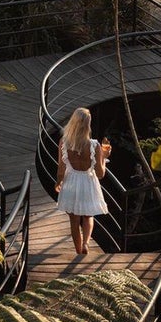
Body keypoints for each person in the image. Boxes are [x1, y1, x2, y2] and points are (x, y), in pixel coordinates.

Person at [54, 107, 111, 255]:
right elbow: (100, 174)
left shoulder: (64, 142)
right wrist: (104, 157)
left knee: (74, 221)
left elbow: (61, 168)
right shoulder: (94, 145)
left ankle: (78, 251)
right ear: (88, 124)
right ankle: (86, 243)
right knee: (88, 216)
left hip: (71, 182)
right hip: (88, 182)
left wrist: (58, 182)